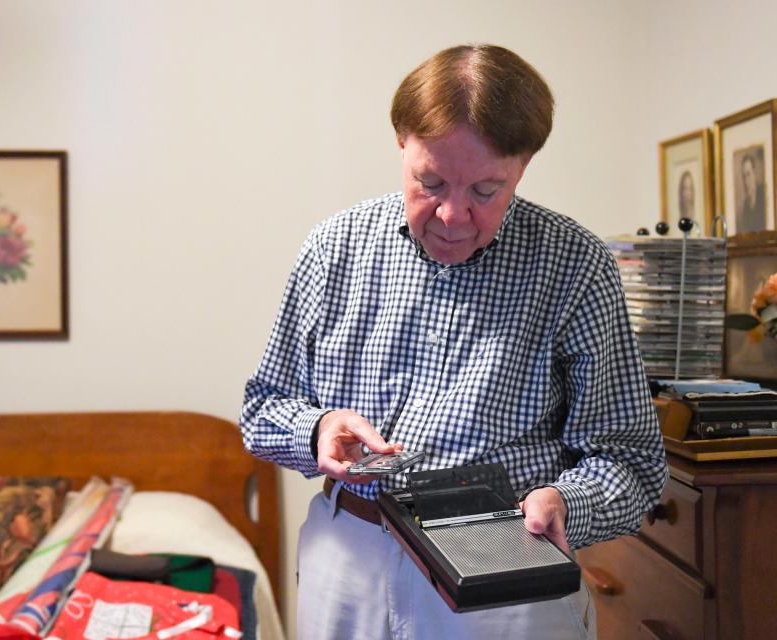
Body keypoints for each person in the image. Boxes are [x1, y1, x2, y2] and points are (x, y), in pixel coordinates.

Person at [240, 44, 667, 639]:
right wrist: (316, 429)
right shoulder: (333, 249)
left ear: (523, 165)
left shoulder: (575, 267)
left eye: (486, 191)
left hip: (506, 575)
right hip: (349, 561)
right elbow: (262, 409)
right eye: (430, 181)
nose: (452, 214)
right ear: (401, 142)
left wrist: (569, 502)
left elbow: (633, 462)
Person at [739, 150, 766, 232]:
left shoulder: (763, 196)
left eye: (748, 174)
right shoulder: (745, 207)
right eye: (744, 176)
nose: (746, 181)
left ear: (754, 174)